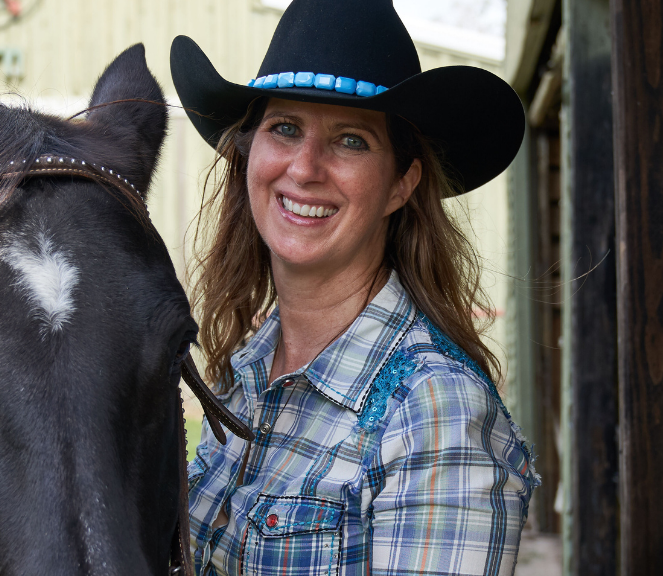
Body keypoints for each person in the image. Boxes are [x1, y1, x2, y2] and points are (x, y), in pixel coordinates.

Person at [170, 0, 538, 574]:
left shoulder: (430, 412)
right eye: (285, 129)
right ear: (247, 155)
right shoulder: (245, 372)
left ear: (401, 185)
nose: (306, 167)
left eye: (351, 141)